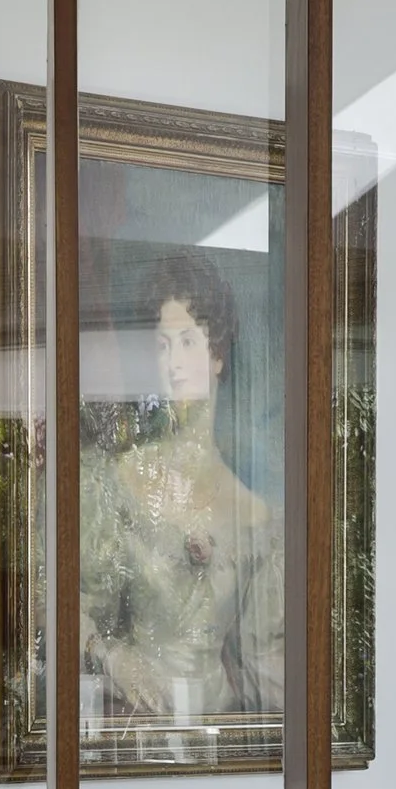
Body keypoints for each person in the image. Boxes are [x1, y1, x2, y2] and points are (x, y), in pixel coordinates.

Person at [79, 249, 282, 747]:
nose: (171, 364)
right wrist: (114, 657)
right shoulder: (121, 480)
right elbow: (71, 610)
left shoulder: (255, 514)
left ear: (217, 355)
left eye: (187, 342)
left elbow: (265, 663)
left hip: (219, 736)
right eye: (160, 346)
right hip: (133, 729)